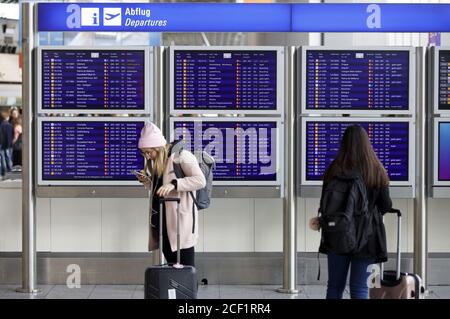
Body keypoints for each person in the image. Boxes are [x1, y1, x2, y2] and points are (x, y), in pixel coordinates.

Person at [312, 125, 392, 299]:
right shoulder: (376, 170)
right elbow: (385, 206)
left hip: (337, 234)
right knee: (360, 289)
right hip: (368, 239)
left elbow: (325, 203)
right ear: (367, 144)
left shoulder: (334, 169)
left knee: (334, 287)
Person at [136, 122, 206, 267]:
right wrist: (148, 182)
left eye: (149, 152)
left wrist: (175, 184)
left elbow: (200, 181)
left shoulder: (182, 157)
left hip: (181, 224)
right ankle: (174, 290)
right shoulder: (159, 163)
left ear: (158, 147)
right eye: (144, 153)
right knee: (172, 267)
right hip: (163, 225)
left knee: (185, 269)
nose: (148, 157)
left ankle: (188, 290)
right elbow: (161, 189)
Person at [0, 110, 14, 178]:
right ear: (7, 117)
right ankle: (9, 171)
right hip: (8, 145)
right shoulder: (9, 125)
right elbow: (10, 136)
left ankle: (4, 172)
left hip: (1, 144)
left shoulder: (1, 125)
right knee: (8, 158)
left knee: (3, 159)